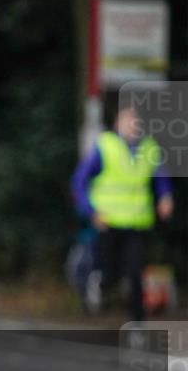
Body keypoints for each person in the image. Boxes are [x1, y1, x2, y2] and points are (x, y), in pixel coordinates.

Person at [71, 103, 174, 322]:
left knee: (135, 272)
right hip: (108, 222)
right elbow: (79, 180)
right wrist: (90, 211)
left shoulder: (150, 148)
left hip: (137, 223)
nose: (133, 125)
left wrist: (165, 197)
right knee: (110, 274)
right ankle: (96, 283)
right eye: (129, 120)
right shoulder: (106, 146)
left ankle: (138, 323)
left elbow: (161, 178)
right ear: (118, 123)